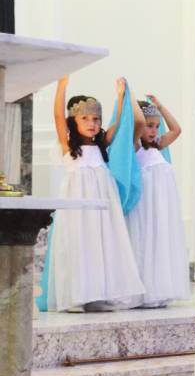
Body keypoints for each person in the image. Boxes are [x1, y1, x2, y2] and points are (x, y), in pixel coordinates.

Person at [38, 76, 144, 312]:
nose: (92, 123)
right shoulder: (68, 147)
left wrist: (120, 97)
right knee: (78, 244)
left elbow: (117, 125)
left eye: (96, 119)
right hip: (77, 207)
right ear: (73, 122)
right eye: (84, 118)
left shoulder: (101, 146)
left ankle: (99, 294)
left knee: (101, 246)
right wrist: (62, 86)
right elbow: (57, 116)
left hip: (101, 207)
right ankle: (75, 296)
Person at [126, 95, 187, 308]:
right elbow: (137, 122)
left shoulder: (158, 145)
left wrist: (160, 106)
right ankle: (143, 289)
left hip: (162, 204)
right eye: (149, 126)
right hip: (146, 204)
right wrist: (130, 101)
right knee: (145, 238)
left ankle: (159, 288)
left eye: (156, 126)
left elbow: (177, 129)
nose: (153, 131)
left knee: (160, 239)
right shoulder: (135, 147)